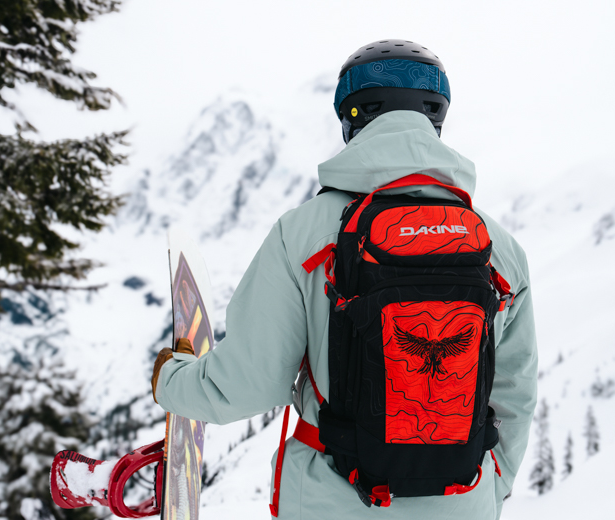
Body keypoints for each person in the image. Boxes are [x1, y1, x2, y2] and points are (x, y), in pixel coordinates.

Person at [152, 39, 538, 519]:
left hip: (330, 502)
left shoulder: (304, 233)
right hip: (465, 503)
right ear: (435, 118)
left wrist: (170, 381)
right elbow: (515, 395)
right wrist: (492, 490)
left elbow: (248, 385)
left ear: (352, 118)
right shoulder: (500, 249)